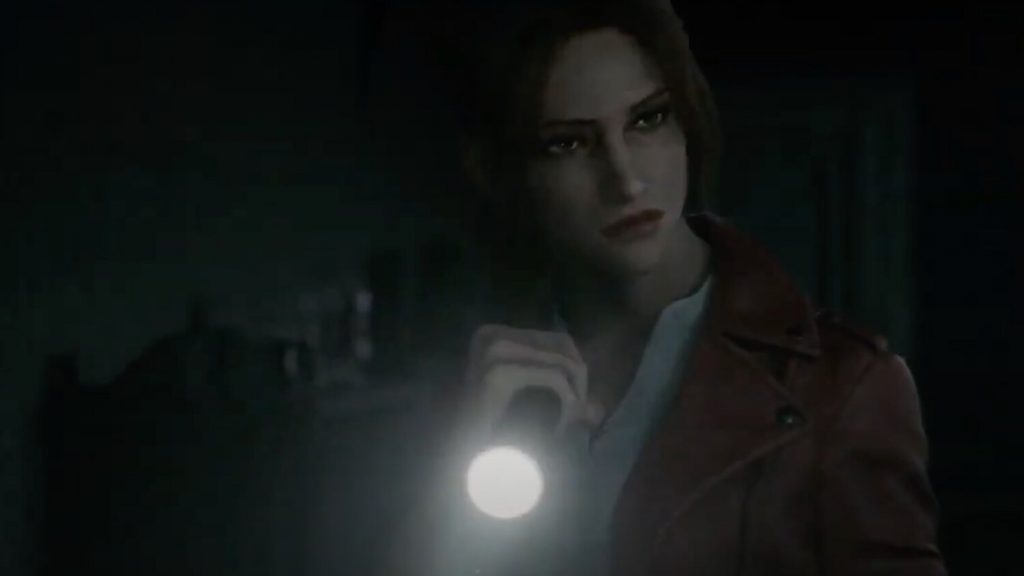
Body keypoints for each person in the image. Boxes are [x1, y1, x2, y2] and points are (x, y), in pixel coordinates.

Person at [383, 0, 946, 575]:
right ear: (503, 172)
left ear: (686, 123)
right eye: (568, 144)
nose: (626, 179)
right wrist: (450, 492)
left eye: (648, 120)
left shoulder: (843, 386)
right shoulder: (475, 380)